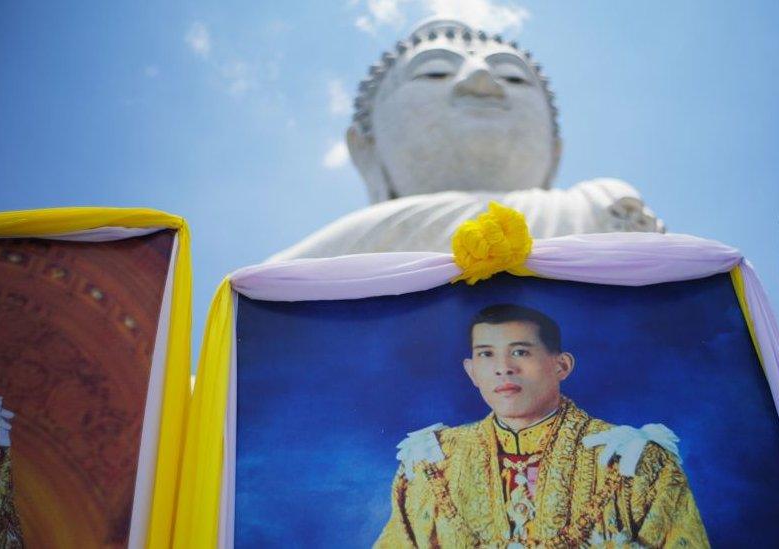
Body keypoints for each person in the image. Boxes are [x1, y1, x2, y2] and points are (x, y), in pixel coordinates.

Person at [269, 19, 663, 261]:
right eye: (435, 73)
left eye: (513, 77)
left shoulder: (600, 208)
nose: (480, 78)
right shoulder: (332, 257)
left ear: (555, 153)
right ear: (366, 150)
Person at [376, 304, 708, 548]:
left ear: (561, 365)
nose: (503, 369)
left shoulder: (635, 460)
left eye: (520, 352)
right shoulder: (431, 461)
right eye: (487, 355)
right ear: (472, 371)